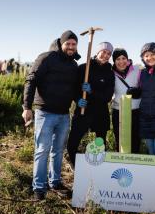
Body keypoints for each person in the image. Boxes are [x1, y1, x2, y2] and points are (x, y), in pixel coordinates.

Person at [22, 30, 80, 200]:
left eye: (73, 44)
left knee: (58, 150)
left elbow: (73, 89)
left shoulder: (74, 65)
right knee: (42, 150)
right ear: (61, 44)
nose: (70, 47)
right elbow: (31, 80)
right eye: (67, 43)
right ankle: (39, 188)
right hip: (45, 113)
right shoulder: (46, 58)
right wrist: (27, 106)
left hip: (63, 115)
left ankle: (55, 182)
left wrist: (79, 97)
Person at [67, 42, 115, 166]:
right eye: (103, 52)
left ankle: (97, 167)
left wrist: (91, 91)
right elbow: (73, 89)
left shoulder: (110, 72)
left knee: (100, 143)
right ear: (97, 52)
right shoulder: (84, 68)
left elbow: (107, 96)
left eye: (109, 53)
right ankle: (76, 167)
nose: (106, 55)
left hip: (100, 113)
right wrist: (78, 99)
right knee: (73, 143)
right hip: (83, 111)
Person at [111, 48, 141, 153]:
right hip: (119, 111)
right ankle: (121, 167)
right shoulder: (111, 73)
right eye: (118, 59)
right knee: (120, 143)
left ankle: (134, 166)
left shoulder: (137, 69)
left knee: (136, 142)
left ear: (127, 59)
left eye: (124, 58)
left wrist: (139, 91)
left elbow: (145, 86)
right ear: (114, 61)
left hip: (135, 111)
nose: (121, 61)